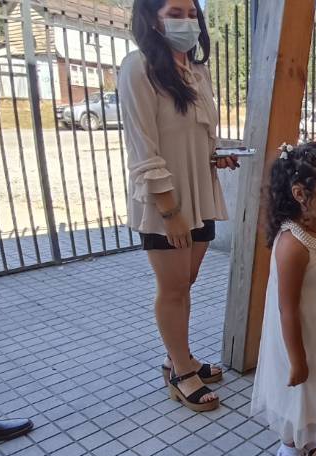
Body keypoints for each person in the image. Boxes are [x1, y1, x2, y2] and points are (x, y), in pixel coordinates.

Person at [121, 0, 238, 411]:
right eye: (175, 13)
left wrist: (216, 153)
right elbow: (144, 149)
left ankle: (180, 357)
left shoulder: (198, 72)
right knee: (172, 289)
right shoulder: (138, 68)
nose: (186, 21)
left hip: (199, 195)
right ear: (153, 19)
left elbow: (194, 135)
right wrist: (170, 212)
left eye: (191, 13)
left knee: (184, 284)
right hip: (165, 202)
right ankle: (180, 373)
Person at [250, 143, 316, 456]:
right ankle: (290, 452)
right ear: (300, 193)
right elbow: (287, 308)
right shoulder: (293, 244)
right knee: (299, 391)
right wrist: (296, 358)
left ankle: (309, 444)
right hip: (299, 337)